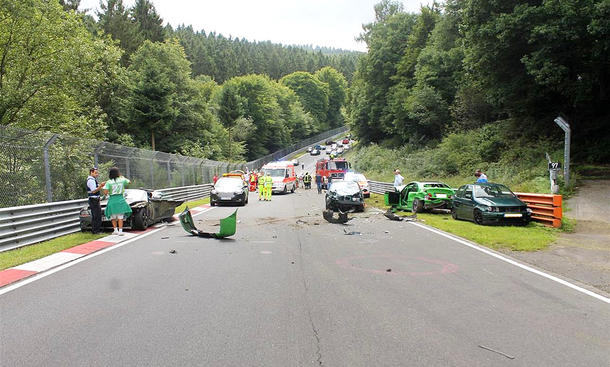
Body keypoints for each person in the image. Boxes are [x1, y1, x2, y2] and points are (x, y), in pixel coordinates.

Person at [103, 167, 132, 236]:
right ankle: (120, 231)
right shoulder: (122, 180)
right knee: (120, 216)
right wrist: (124, 177)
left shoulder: (108, 182)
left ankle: (115, 230)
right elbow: (129, 182)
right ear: (118, 173)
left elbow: (105, 192)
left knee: (112, 216)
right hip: (120, 199)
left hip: (112, 200)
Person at [86, 167, 105, 234]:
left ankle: (97, 230)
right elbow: (94, 190)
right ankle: (95, 231)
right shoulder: (91, 180)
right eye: (95, 173)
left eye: (97, 173)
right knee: (96, 216)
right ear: (91, 172)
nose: (97, 174)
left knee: (97, 215)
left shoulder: (93, 180)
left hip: (95, 200)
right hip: (93, 200)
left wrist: (100, 186)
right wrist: (100, 186)